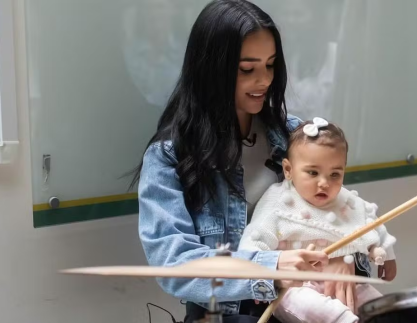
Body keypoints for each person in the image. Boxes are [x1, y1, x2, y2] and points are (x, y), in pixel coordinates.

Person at [133, 1, 360, 322]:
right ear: (212, 69)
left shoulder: (297, 135)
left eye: (270, 65)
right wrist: (271, 267)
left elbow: (351, 221)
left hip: (310, 308)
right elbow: (174, 264)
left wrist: (346, 255)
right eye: (247, 69)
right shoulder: (170, 155)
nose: (264, 80)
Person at [238, 118, 397, 323]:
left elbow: (370, 221)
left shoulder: (346, 200)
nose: (324, 183)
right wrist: (259, 279)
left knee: (381, 309)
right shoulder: (278, 203)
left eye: (335, 174)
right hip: (296, 286)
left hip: (345, 281)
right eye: (313, 173)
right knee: (317, 308)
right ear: (288, 170)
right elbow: (253, 242)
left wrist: (388, 253)